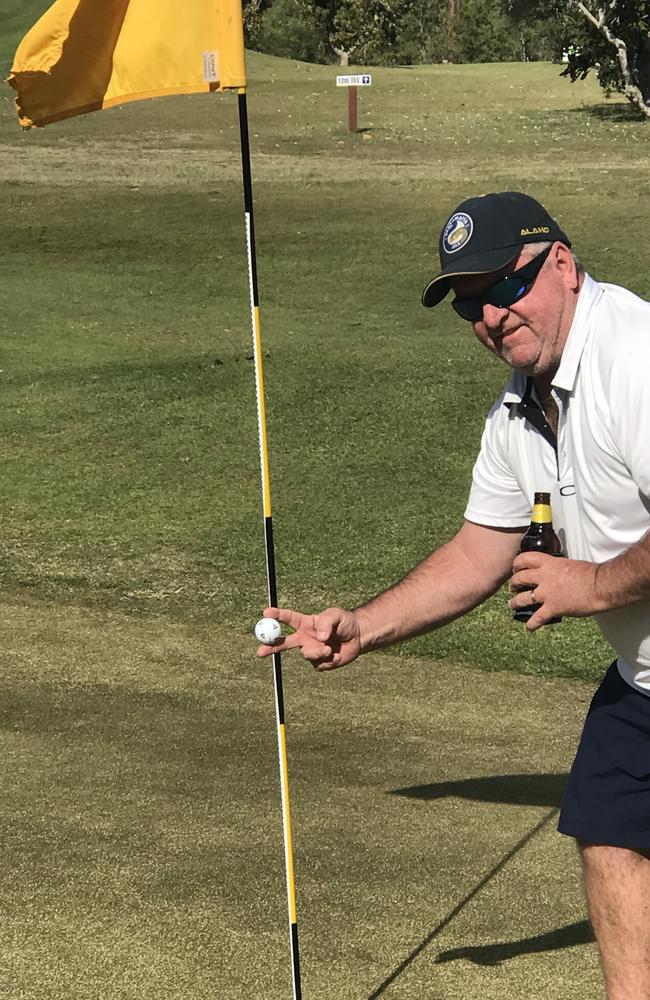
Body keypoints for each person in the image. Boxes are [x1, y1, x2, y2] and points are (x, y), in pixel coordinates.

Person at [257, 191, 650, 1000]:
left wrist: (593, 584)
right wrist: (363, 626)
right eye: (469, 302)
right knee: (608, 827)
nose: (489, 316)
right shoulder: (517, 410)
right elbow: (478, 554)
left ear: (565, 267)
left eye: (505, 286)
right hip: (646, 681)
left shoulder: (637, 360)